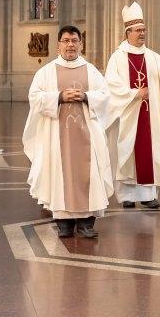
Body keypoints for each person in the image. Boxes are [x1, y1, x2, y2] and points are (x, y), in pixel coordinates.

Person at [21, 26, 112, 239]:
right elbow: (34, 97)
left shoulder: (91, 70)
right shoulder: (45, 72)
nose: (70, 45)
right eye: (66, 40)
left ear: (81, 43)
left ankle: (86, 223)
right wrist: (59, 96)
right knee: (58, 173)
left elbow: (105, 95)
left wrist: (87, 96)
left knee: (90, 173)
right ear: (58, 44)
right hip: (56, 135)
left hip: (86, 133)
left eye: (74, 40)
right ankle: (64, 222)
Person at [104, 2, 160, 209]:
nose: (142, 34)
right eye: (138, 30)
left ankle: (148, 194)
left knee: (151, 151)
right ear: (127, 32)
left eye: (144, 30)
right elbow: (111, 87)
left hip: (151, 115)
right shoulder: (117, 58)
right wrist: (134, 94)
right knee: (127, 153)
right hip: (128, 115)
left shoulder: (154, 57)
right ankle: (127, 196)